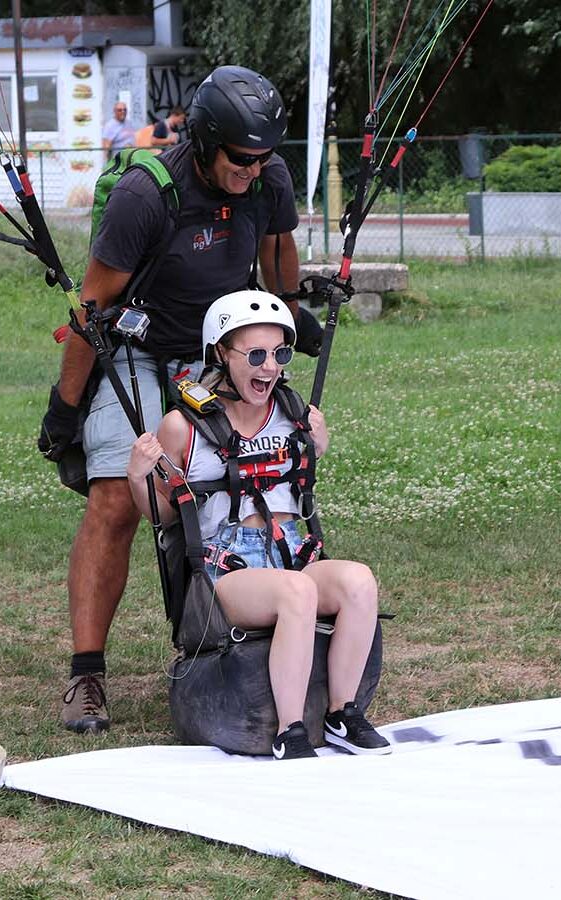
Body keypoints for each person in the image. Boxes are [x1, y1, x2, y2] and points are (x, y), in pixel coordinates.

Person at [37, 66, 322, 734]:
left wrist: (284, 321)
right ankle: (86, 675)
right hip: (137, 346)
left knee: (253, 473)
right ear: (203, 141)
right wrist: (65, 406)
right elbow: (92, 308)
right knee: (117, 497)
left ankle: (251, 631)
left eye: (264, 157)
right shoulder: (144, 196)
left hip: (214, 356)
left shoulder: (267, 179)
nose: (253, 169)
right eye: (240, 157)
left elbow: (280, 256)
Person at [126, 292, 391, 759]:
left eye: (279, 354)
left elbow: (301, 474)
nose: (269, 368)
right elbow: (164, 516)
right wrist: (137, 475)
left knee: (358, 582)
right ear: (222, 355)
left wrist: (318, 443)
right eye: (255, 355)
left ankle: (341, 713)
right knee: (297, 593)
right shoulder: (182, 427)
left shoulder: (294, 416)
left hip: (290, 550)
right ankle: (290, 731)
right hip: (225, 571)